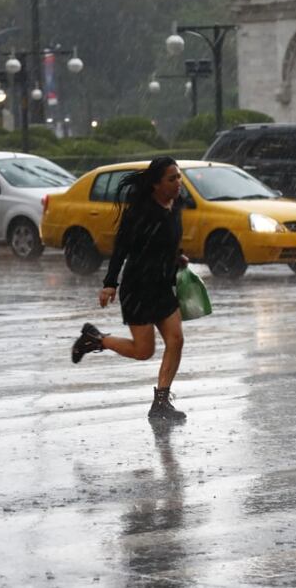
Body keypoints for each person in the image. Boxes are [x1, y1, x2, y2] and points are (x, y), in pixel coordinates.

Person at [71, 156, 189, 422]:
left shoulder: (176, 204)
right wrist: (110, 284)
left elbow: (167, 240)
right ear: (156, 184)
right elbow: (121, 248)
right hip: (139, 287)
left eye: (179, 177)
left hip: (163, 285)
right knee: (143, 351)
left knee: (176, 340)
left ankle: (161, 401)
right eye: (172, 179)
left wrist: (177, 256)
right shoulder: (140, 212)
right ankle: (95, 339)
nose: (178, 183)